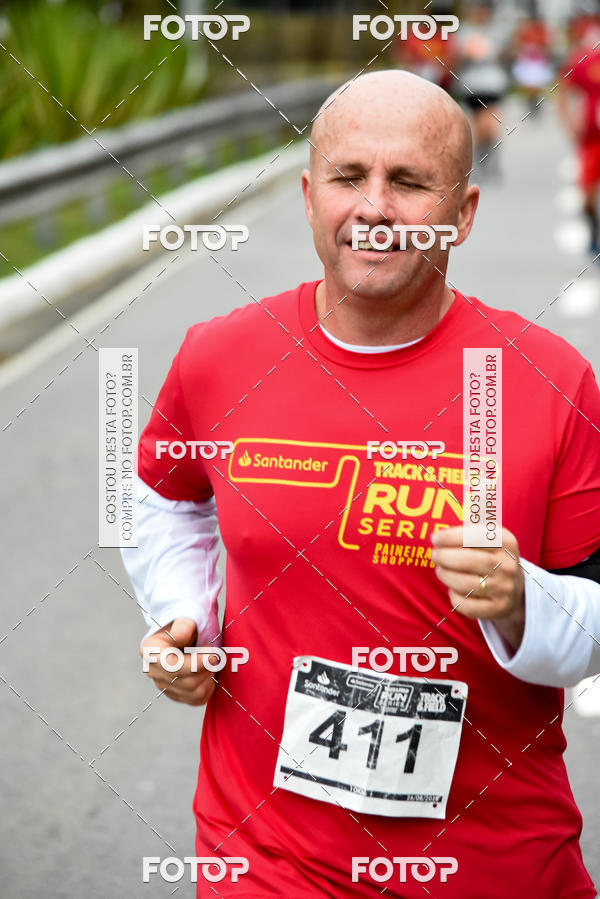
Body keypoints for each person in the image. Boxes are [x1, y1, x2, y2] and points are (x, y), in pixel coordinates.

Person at [122, 70, 600, 897]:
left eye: (410, 183)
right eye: (349, 178)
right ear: (309, 197)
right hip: (266, 859)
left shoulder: (551, 380)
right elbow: (164, 496)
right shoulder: (216, 357)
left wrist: (524, 599)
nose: (374, 209)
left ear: (463, 213)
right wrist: (184, 612)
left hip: (494, 865)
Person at [557, 16, 600, 255]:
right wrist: (569, 125)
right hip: (591, 140)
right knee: (587, 197)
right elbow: (562, 91)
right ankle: (594, 232)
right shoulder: (585, 60)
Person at [454, 0, 510, 178]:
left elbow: (507, 54)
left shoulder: (498, 31)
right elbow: (456, 56)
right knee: (478, 124)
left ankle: (491, 151)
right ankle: (481, 154)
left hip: (493, 84)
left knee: (491, 123)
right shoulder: (465, 31)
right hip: (472, 85)